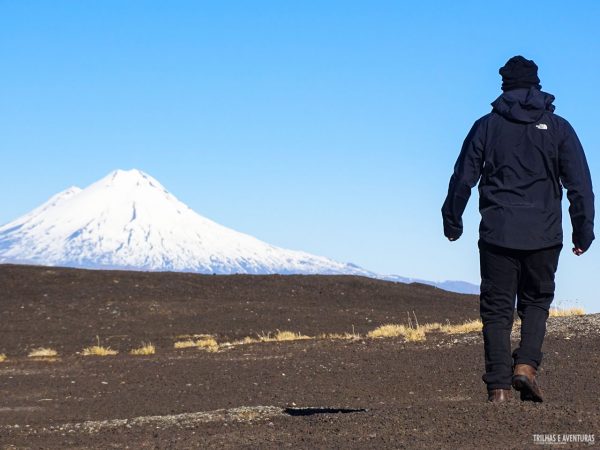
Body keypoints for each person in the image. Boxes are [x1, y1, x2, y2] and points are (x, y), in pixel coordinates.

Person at [441, 55, 595, 403]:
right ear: (537, 85)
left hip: (497, 233)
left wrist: (453, 220)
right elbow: (580, 186)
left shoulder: (486, 126)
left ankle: (497, 387)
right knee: (537, 303)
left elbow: (462, 177)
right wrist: (583, 232)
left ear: (504, 86)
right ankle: (525, 366)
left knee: (496, 309)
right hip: (544, 235)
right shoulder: (559, 128)